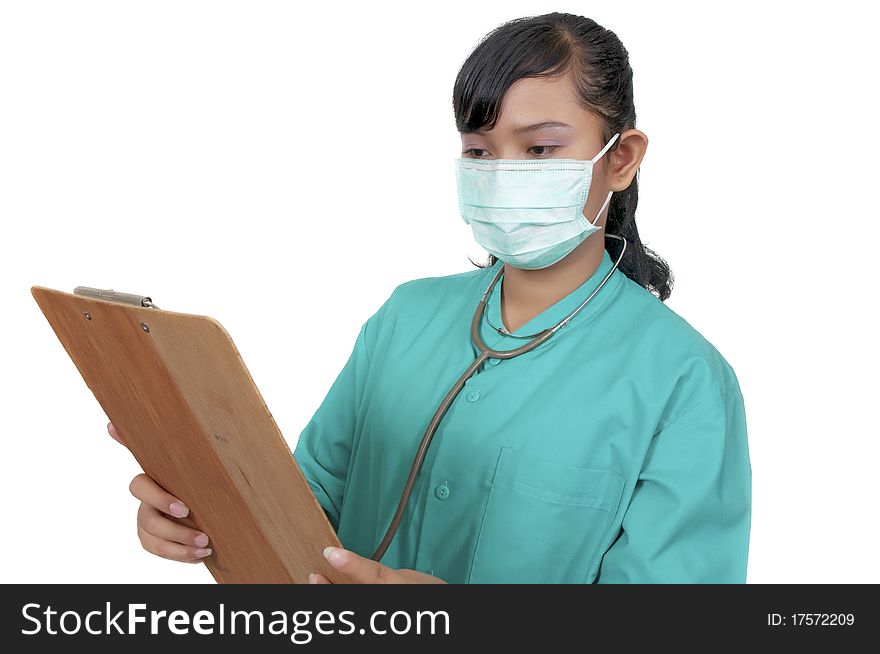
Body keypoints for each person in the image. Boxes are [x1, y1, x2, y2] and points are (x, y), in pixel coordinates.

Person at [111, 12, 751, 584]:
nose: (503, 173)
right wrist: (204, 513)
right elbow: (306, 501)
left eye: (542, 149)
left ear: (621, 159)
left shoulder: (685, 382)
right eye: (480, 150)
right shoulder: (404, 317)